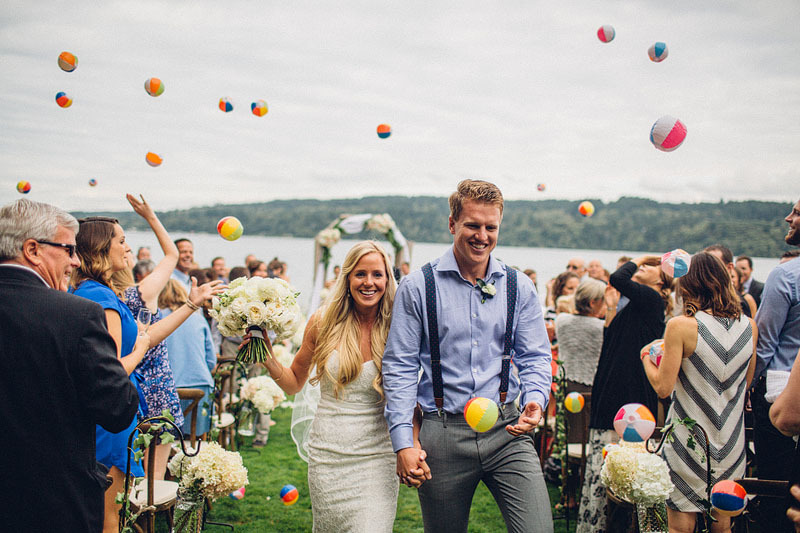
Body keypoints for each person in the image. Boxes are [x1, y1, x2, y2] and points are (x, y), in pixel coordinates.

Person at [383, 179, 554, 533]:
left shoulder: (518, 285)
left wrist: (536, 398)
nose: (482, 235)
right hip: (442, 433)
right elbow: (399, 367)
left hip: (508, 429)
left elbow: (536, 356)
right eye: (472, 225)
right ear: (452, 224)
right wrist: (403, 442)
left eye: (491, 227)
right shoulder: (418, 286)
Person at [0, 199, 140, 533]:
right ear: (33, 249)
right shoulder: (75, 314)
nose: (75, 261)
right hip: (49, 499)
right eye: (68, 250)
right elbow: (117, 408)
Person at [258, 241, 408, 532]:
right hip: (328, 456)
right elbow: (293, 384)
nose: (369, 282)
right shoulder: (322, 321)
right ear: (347, 277)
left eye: (377, 274)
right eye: (360, 274)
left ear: (388, 279)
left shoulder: (398, 325)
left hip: (378, 456)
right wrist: (267, 357)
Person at [642, 252, 757, 533]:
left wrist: (646, 356)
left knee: (679, 527)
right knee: (722, 526)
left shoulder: (680, 326)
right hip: (730, 441)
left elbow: (662, 387)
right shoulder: (750, 327)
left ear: (689, 286)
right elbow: (746, 383)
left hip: (687, 440)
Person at [111, 195, 223, 478]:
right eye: (125, 249)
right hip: (155, 387)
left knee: (120, 466)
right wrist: (150, 216)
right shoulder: (140, 294)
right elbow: (172, 254)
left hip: (119, 386)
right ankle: (150, 512)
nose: (129, 251)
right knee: (152, 477)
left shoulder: (103, 298)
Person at [577, 255, 672, 533]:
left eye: (652, 266)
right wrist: (610, 309)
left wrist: (637, 258)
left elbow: (617, 278)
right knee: (602, 468)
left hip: (629, 398)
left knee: (622, 473)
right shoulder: (635, 305)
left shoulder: (653, 300)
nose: (644, 265)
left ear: (662, 281)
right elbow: (611, 342)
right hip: (611, 390)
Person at [751, 198, 800, 532]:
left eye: (797, 212)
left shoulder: (785, 275)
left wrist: (743, 389)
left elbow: (764, 344)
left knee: (775, 492)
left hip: (778, 400)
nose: (788, 217)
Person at [159, 280, 217, 439]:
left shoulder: (157, 318)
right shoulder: (198, 319)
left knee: (165, 439)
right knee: (196, 439)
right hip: (200, 383)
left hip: (168, 387)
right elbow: (211, 360)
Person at [555, 278, 606, 394]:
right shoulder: (601, 327)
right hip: (590, 385)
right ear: (592, 303)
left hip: (563, 381)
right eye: (604, 301)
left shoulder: (561, 320)